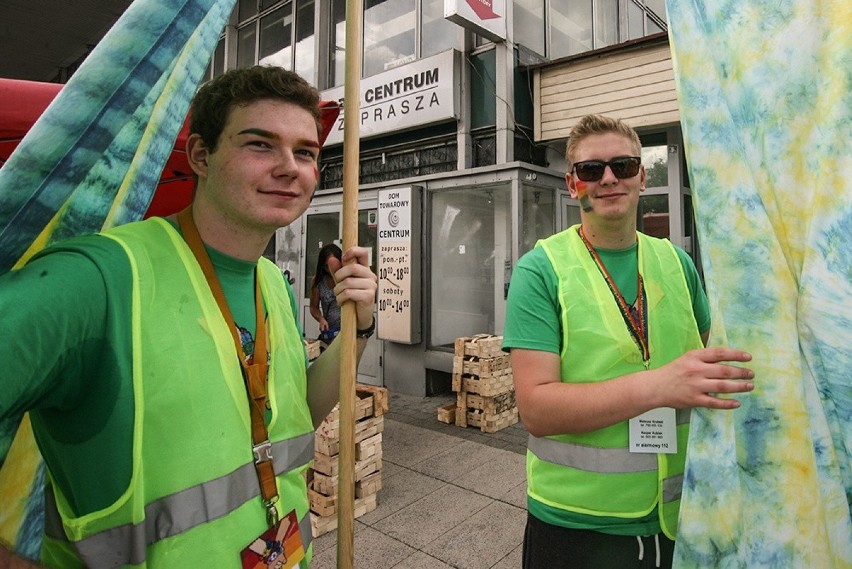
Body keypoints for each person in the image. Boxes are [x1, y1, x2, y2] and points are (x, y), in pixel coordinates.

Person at [0, 66, 377, 567]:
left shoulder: (270, 281)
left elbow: (294, 417)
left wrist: (360, 327)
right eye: (260, 144)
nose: (291, 167)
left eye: (305, 152)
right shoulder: (96, 279)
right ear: (201, 155)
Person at [503, 114, 755, 569]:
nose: (608, 178)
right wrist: (658, 386)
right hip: (577, 526)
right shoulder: (540, 270)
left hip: (679, 518)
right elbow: (536, 409)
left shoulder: (678, 263)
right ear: (571, 183)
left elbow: (710, 366)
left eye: (622, 165)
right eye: (590, 170)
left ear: (643, 174)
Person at [310, 243, 343, 348]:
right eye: (327, 267)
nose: (331, 270)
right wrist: (320, 319)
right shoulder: (319, 281)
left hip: (346, 331)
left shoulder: (346, 278)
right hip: (329, 331)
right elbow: (313, 307)